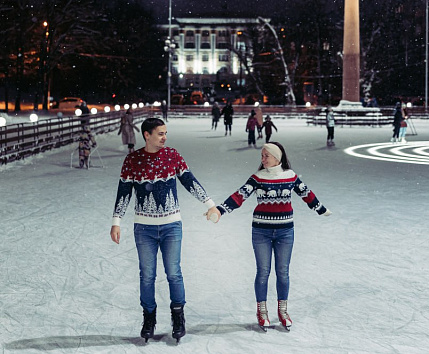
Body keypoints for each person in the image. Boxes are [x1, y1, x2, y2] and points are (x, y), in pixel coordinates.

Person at [110, 117, 220, 343]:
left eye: (165, 133)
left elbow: (190, 181)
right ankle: (149, 318)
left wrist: (210, 204)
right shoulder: (133, 160)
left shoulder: (172, 155)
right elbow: (124, 192)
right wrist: (116, 221)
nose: (164, 137)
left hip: (171, 225)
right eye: (160, 133)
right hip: (144, 228)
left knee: (173, 273)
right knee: (147, 276)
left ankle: (178, 316)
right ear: (147, 135)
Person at [208, 142, 331, 331]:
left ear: (277, 157)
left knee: (283, 272)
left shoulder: (290, 176)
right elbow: (240, 195)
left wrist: (320, 209)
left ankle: (283, 311)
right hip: (261, 232)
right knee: (263, 271)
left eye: (266, 155)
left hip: (285, 231)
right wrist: (221, 210)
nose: (262, 159)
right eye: (262, 155)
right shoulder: (258, 178)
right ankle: (262, 311)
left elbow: (306, 193)